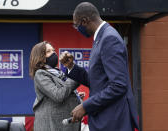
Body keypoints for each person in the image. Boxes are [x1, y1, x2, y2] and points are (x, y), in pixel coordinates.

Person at [59, 2, 139, 131]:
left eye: (76, 25)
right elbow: (97, 81)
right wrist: (71, 66)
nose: (77, 29)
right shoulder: (101, 38)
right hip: (105, 119)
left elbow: (119, 85)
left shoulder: (109, 38)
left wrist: (86, 106)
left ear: (84, 21)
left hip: (113, 121)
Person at [29, 41, 80, 131]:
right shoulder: (41, 74)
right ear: (40, 57)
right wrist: (74, 76)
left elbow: (65, 90)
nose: (53, 53)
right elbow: (58, 95)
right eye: (48, 51)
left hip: (64, 124)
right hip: (52, 126)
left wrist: (74, 95)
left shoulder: (57, 72)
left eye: (53, 50)